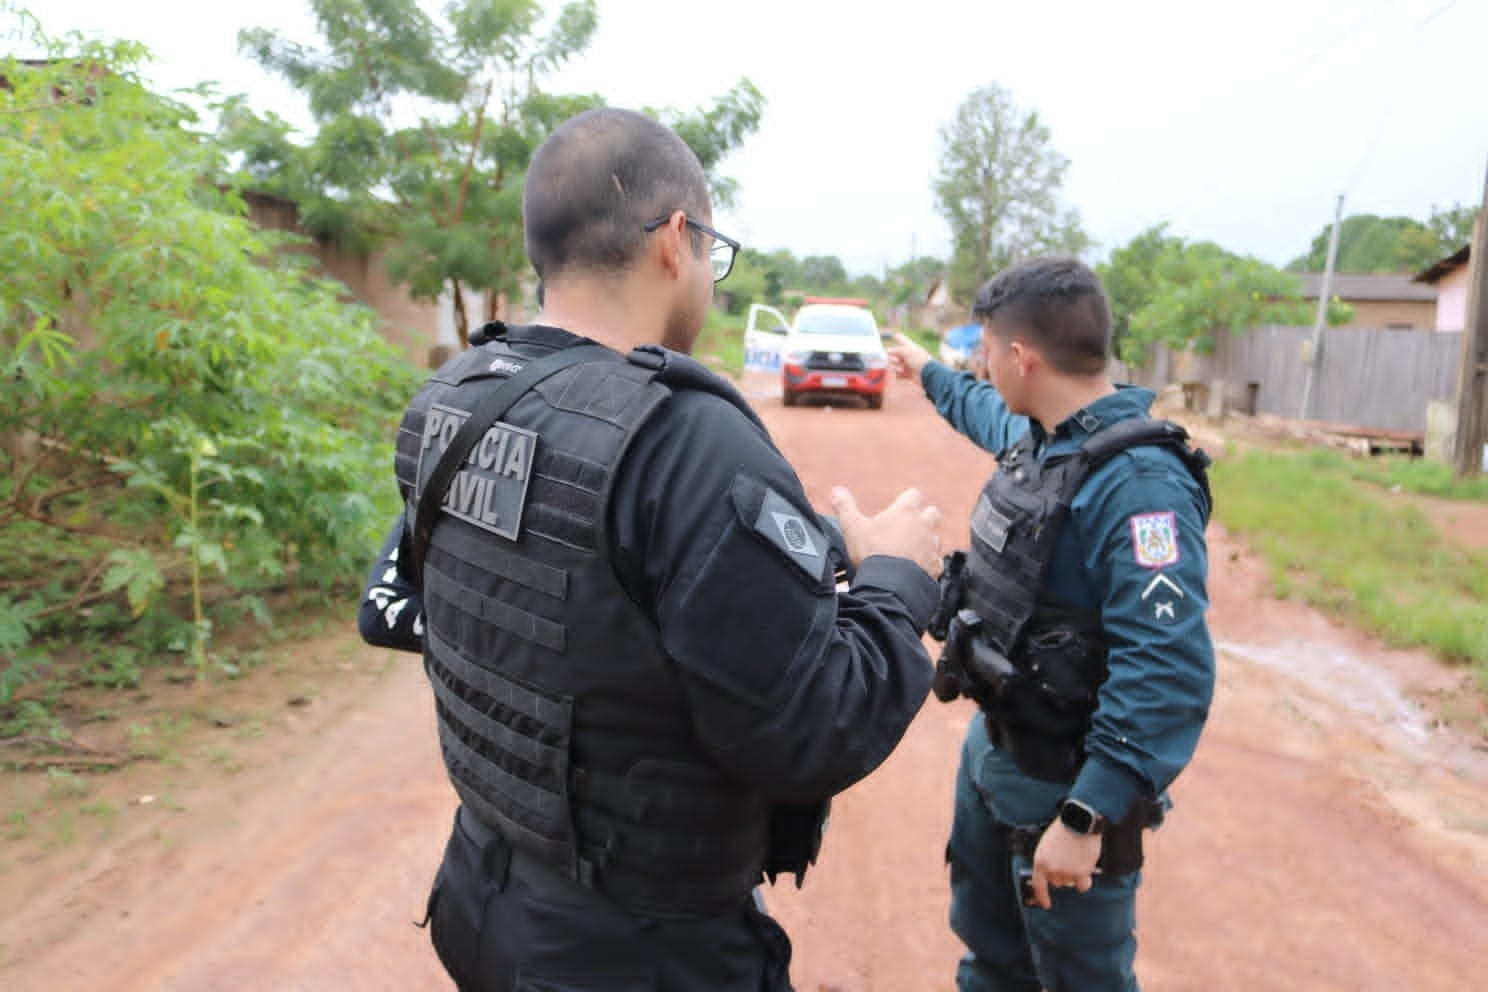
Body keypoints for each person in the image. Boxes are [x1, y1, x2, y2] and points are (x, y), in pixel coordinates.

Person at [383, 106, 945, 992]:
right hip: (640, 954)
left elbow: (448, 603)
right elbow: (812, 729)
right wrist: (896, 579)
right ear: (677, 241)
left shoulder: (452, 396)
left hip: (483, 903)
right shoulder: (686, 441)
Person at [887, 257, 1215, 992]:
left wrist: (1086, 815)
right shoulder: (1042, 434)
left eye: (985, 352)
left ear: (1021, 357)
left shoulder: (1142, 489)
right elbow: (980, 407)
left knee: (1078, 979)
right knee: (991, 962)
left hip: (1065, 790)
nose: (981, 366)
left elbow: (1166, 664)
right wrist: (928, 371)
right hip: (998, 751)